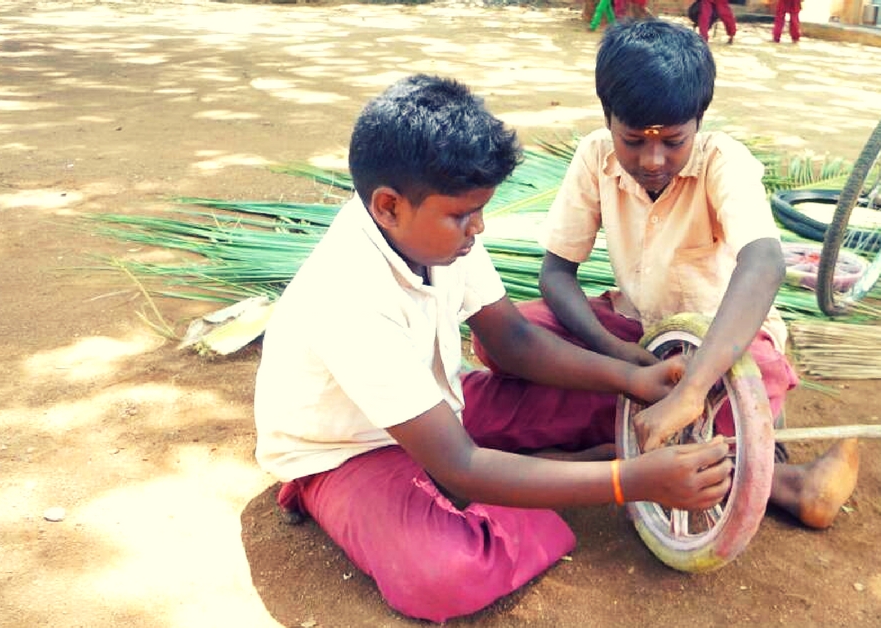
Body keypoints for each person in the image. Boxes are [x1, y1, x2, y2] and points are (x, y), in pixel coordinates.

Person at [253, 74, 735, 623]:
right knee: (448, 571)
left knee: (616, 406)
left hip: (438, 408)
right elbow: (459, 464)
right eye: (463, 215)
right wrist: (626, 483)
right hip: (346, 451)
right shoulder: (348, 294)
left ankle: (548, 471)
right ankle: (328, 494)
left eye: (480, 210)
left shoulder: (434, 231)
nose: (478, 227)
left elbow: (512, 340)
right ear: (388, 206)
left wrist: (631, 378)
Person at [470, 19, 860, 533]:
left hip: (715, 348)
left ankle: (627, 445)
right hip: (629, 337)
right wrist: (616, 355)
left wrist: (694, 387)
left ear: (699, 121)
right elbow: (556, 275)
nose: (652, 160)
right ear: (609, 119)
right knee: (499, 343)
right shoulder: (594, 157)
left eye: (673, 142)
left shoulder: (725, 162)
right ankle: (763, 470)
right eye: (632, 141)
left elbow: (764, 261)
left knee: (758, 370)